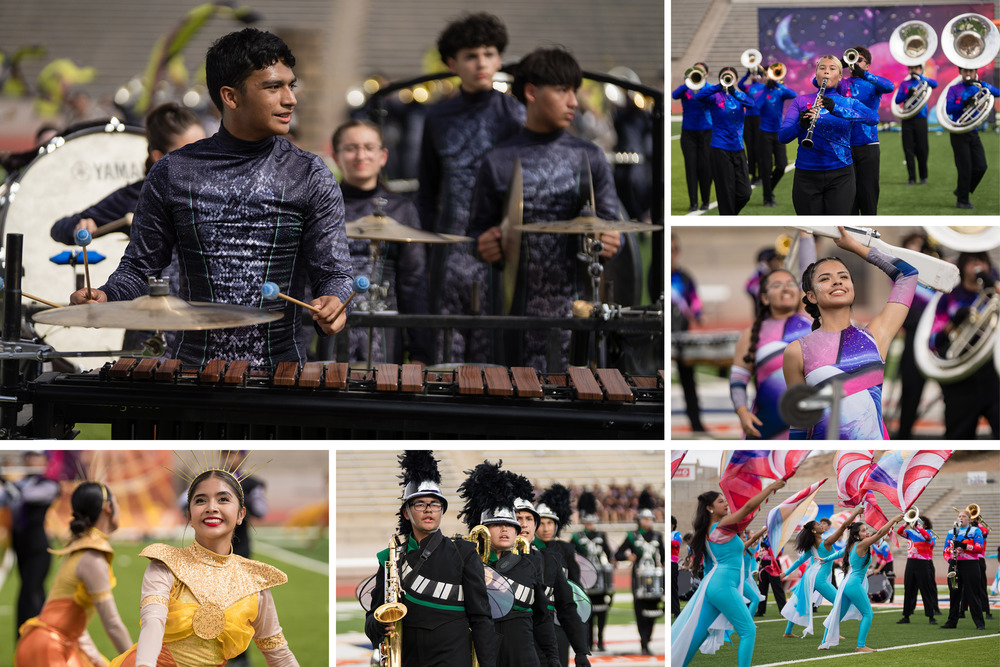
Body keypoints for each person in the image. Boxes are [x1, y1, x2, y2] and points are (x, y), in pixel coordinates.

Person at [69, 28, 353, 365]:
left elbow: (334, 273)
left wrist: (334, 299)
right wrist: (106, 295)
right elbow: (140, 268)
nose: (289, 98)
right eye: (273, 87)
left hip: (281, 373)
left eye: (290, 85)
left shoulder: (309, 174)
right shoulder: (174, 172)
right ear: (231, 97)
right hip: (194, 373)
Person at [470, 47, 621, 371]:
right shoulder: (497, 160)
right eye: (562, 90)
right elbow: (476, 234)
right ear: (531, 92)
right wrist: (483, 245)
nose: (574, 102)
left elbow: (611, 223)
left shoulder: (590, 156)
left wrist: (611, 239)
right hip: (513, 317)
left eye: (574, 92)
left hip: (577, 316)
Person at [417, 12, 525, 363]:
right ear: (452, 63)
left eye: (489, 53)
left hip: (500, 249)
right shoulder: (436, 117)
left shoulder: (516, 114)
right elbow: (428, 190)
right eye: (470, 55)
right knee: (446, 357)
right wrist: (427, 252)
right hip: (448, 249)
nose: (482, 63)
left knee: (494, 356)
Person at [110, 466, 298, 665]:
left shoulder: (255, 582)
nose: (211, 507)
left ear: (241, 514)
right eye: (200, 500)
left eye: (223, 499)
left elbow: (279, 654)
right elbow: (152, 624)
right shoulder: (166, 564)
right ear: (189, 515)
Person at [782, 226, 919, 439]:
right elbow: (800, 423)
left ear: (852, 287)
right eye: (825, 279)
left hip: (873, 456)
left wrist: (856, 246)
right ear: (811, 296)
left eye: (843, 276)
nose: (837, 281)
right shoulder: (797, 351)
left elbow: (908, 275)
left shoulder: (876, 337)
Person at [364, 451, 496, 667]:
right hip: (409, 660)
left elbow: (481, 619)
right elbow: (372, 618)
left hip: (452, 660)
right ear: (406, 513)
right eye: (420, 504)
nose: (428, 509)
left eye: (435, 504)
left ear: (442, 510)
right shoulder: (391, 557)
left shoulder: (464, 553)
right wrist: (378, 626)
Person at [330, 119, 431, 365]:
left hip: (386, 328)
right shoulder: (324, 207)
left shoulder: (403, 209)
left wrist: (420, 352)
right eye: (351, 148)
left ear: (383, 156)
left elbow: (412, 282)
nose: (360, 155)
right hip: (333, 325)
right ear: (336, 156)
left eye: (369, 147)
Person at [50, 103, 206, 245]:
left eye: (206, 149)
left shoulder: (221, 188)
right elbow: (59, 229)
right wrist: (81, 228)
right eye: (190, 154)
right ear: (159, 158)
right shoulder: (138, 197)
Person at [14, 481, 132, 666]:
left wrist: (97, 660)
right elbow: (113, 624)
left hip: (48, 643)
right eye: (116, 503)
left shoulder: (81, 547)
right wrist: (141, 661)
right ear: (108, 507)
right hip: (50, 646)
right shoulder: (92, 556)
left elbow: (73, 624)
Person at [670, 479, 786, 666]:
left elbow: (709, 566)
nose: (725, 504)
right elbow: (748, 508)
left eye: (725, 500)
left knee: (695, 635)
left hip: (714, 585)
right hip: (722, 585)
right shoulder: (720, 526)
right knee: (748, 630)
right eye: (720, 501)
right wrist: (771, 488)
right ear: (709, 508)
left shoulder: (711, 531)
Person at [457, 460, 559, 667]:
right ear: (484, 530)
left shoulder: (529, 563)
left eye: (509, 525)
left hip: (525, 657)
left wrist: (552, 657)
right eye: (496, 525)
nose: (504, 530)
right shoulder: (467, 563)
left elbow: (542, 618)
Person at [730, 233, 816, 439]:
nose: (786, 288)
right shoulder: (752, 333)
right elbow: (738, 379)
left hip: (809, 426)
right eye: (777, 285)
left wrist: (806, 234)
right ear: (765, 298)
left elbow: (810, 272)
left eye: (790, 283)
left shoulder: (812, 321)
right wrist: (742, 413)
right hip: (766, 427)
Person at [778, 56, 878, 215]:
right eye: (822, 68)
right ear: (816, 75)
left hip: (841, 175)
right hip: (806, 175)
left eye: (832, 69)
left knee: (837, 229)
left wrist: (836, 109)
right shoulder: (801, 101)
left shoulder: (848, 102)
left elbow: (873, 118)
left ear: (839, 77)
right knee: (812, 228)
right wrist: (801, 125)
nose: (826, 72)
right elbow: (783, 137)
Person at [512, 480, 590, 667]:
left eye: (529, 519)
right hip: (512, 643)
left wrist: (580, 650)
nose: (524, 525)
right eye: (518, 518)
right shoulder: (493, 559)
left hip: (550, 637)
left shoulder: (552, 559)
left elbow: (567, 607)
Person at [929, 251, 1000, 439]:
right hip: (961, 381)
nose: (977, 264)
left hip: (993, 376)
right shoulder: (948, 297)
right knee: (958, 439)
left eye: (982, 260)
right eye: (971, 260)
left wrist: (993, 284)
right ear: (962, 265)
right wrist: (954, 323)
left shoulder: (994, 292)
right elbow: (933, 342)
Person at [818, 514, 904, 652]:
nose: (868, 532)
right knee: (868, 613)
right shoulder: (862, 544)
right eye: (864, 530)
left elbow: (839, 553)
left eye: (867, 529)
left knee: (838, 615)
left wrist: (826, 558)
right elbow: (881, 533)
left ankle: (824, 643)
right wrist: (893, 520)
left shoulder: (852, 545)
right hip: (853, 584)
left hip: (847, 583)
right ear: (857, 536)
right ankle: (860, 645)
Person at [782, 506, 864, 638]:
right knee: (839, 601)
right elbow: (843, 526)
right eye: (818, 525)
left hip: (810, 576)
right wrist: (856, 513)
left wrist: (785, 573)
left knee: (799, 600)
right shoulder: (826, 542)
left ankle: (788, 631)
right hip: (818, 578)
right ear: (814, 530)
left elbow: (799, 561)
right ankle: (832, 631)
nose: (821, 525)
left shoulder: (813, 544)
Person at [224, 450, 269, 667]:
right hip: (211, 552)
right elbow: (182, 503)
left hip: (240, 552)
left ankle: (239, 657)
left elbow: (261, 510)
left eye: (234, 453)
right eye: (225, 452)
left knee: (239, 608)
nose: (229, 457)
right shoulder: (210, 478)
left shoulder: (252, 483)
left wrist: (245, 496)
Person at [10, 450, 61, 642]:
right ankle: (39, 640)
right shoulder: (18, 483)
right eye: (28, 455)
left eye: (36, 455)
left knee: (29, 593)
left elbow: (27, 496)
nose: (30, 459)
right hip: (20, 546)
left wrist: (9, 486)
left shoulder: (49, 485)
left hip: (38, 547)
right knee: (34, 592)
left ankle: (27, 638)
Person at [893, 232, 940, 439]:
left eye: (918, 245)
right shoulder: (901, 273)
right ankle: (904, 436)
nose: (915, 248)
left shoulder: (935, 266)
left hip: (938, 334)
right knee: (911, 390)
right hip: (914, 335)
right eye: (911, 244)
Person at [838, 46, 894, 215]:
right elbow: (816, 82)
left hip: (868, 144)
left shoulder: (872, 82)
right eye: (853, 59)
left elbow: (889, 87)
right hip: (844, 146)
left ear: (868, 65)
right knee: (848, 196)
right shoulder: (840, 83)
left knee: (869, 194)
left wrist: (865, 75)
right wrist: (838, 65)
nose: (855, 63)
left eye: (860, 60)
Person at [692, 67, 754, 215]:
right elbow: (698, 97)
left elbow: (752, 104)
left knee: (745, 193)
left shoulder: (740, 96)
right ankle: (727, 217)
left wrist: (734, 91)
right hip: (720, 149)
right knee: (726, 193)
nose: (728, 80)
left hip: (738, 148)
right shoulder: (714, 97)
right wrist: (718, 86)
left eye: (731, 77)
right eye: (725, 78)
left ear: (736, 80)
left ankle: (728, 216)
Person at [614, 495, 665, 656]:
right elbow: (618, 554)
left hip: (655, 580)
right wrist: (628, 557)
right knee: (640, 611)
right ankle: (643, 643)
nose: (649, 521)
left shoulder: (657, 536)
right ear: (640, 520)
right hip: (638, 579)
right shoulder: (632, 536)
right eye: (646, 519)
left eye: (650, 519)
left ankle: (647, 639)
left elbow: (664, 557)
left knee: (653, 611)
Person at [944, 68, 1000, 209]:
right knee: (965, 168)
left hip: (973, 131)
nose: (968, 74)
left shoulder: (980, 87)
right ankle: (962, 201)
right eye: (965, 71)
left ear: (975, 72)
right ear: (960, 73)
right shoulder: (954, 89)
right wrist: (964, 103)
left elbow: (998, 93)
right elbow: (949, 109)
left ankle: (961, 190)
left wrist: (984, 85)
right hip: (958, 131)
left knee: (981, 166)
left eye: (971, 71)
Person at [671, 234, 706, 433]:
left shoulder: (684, 277)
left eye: (675, 249)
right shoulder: (658, 274)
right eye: (669, 249)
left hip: (682, 335)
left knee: (688, 380)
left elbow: (694, 299)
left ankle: (696, 424)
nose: (672, 254)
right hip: (661, 336)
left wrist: (698, 313)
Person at [572, 492, 615, 650]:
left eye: (591, 523)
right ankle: (589, 642)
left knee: (602, 611)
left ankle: (601, 640)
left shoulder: (601, 535)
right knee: (586, 613)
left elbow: (609, 552)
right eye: (587, 522)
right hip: (584, 579)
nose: (590, 525)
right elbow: (570, 554)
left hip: (600, 578)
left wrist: (612, 560)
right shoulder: (577, 537)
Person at [672, 62, 713, 212]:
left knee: (705, 168)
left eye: (701, 72)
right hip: (688, 133)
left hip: (707, 131)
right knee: (691, 168)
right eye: (695, 71)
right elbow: (674, 95)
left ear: (706, 75)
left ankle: (706, 201)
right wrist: (687, 83)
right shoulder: (687, 88)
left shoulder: (710, 88)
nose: (697, 74)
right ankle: (693, 202)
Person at [754, 66, 796, 206]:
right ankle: (767, 198)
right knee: (766, 167)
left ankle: (768, 189)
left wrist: (777, 83)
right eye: (767, 76)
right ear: (764, 78)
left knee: (782, 165)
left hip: (778, 133)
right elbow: (756, 105)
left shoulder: (779, 92)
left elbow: (793, 94)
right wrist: (767, 89)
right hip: (764, 133)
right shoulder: (760, 92)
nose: (769, 78)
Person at [940, 508, 986, 630]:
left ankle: (979, 622)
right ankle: (952, 621)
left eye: (964, 516)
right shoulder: (951, 532)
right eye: (959, 516)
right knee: (954, 594)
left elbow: (979, 548)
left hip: (971, 565)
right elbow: (945, 551)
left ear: (969, 519)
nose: (961, 518)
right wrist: (949, 560)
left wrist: (964, 546)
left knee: (973, 593)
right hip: (955, 565)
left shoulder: (975, 530)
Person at [894, 63, 937, 185]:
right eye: (912, 68)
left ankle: (924, 177)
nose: (914, 70)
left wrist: (922, 77)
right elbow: (897, 100)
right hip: (907, 119)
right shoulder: (904, 84)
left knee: (923, 149)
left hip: (921, 119)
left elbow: (935, 84)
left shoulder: (924, 82)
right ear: (908, 69)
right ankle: (911, 178)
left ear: (921, 70)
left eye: (917, 68)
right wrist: (908, 94)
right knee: (908, 149)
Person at [896, 516, 938, 624]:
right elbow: (899, 531)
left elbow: (927, 538)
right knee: (909, 589)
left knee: (926, 589)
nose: (917, 523)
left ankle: (931, 616)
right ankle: (906, 615)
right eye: (916, 522)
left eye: (920, 522)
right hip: (911, 562)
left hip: (923, 563)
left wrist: (918, 528)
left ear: (925, 525)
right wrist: (906, 523)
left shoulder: (929, 532)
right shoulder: (910, 533)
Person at [737, 66, 765, 187]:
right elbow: (740, 84)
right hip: (748, 118)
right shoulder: (748, 87)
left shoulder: (764, 87)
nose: (754, 76)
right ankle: (753, 175)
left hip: (759, 118)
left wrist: (763, 75)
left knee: (759, 147)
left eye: (756, 74)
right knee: (750, 147)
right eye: (753, 74)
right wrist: (747, 73)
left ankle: (760, 175)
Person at [753, 534, 785, 616]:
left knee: (777, 587)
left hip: (773, 564)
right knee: (762, 587)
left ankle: (783, 610)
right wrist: (757, 556)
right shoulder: (763, 538)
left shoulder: (778, 538)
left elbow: (779, 552)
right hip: (763, 564)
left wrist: (767, 546)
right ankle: (761, 610)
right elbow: (757, 550)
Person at [870, 536, 895, 602]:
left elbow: (885, 559)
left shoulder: (884, 545)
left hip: (888, 562)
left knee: (890, 579)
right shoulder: (873, 543)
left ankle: (891, 599)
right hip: (879, 561)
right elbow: (873, 551)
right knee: (874, 577)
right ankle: (875, 596)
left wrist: (878, 569)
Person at [669, 516, 682, 621]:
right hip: (666, 563)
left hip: (672, 563)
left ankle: (677, 611)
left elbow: (677, 543)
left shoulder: (676, 534)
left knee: (673, 587)